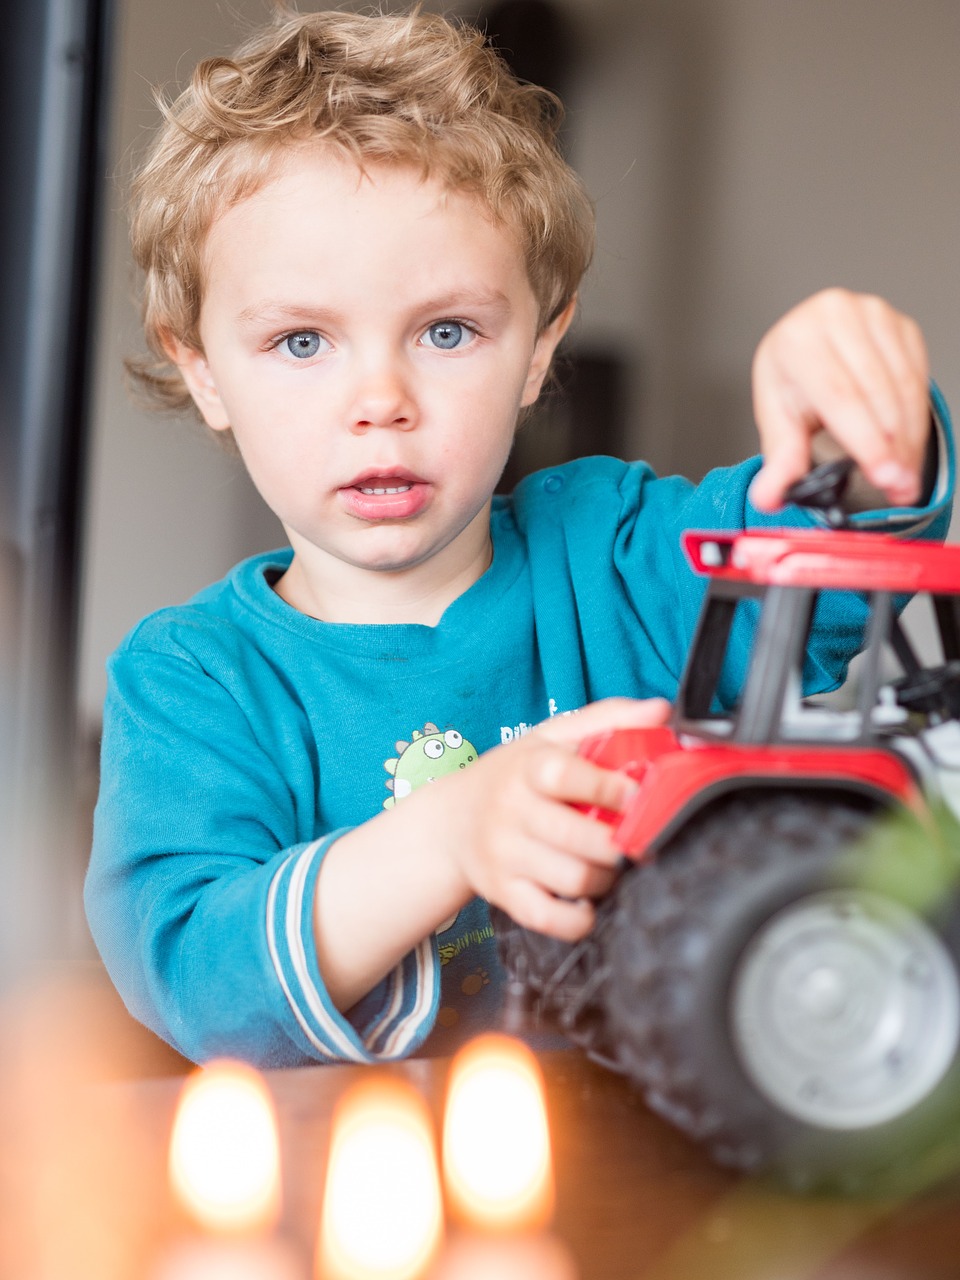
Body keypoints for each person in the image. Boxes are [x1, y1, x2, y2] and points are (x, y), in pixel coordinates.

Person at [84, 7, 953, 1067]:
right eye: (301, 339)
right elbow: (193, 966)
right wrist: (456, 831)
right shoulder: (192, 680)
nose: (382, 400)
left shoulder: (615, 550)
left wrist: (852, 412)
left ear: (540, 350)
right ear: (204, 368)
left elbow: (816, 551)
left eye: (447, 332)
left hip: (655, 1176)